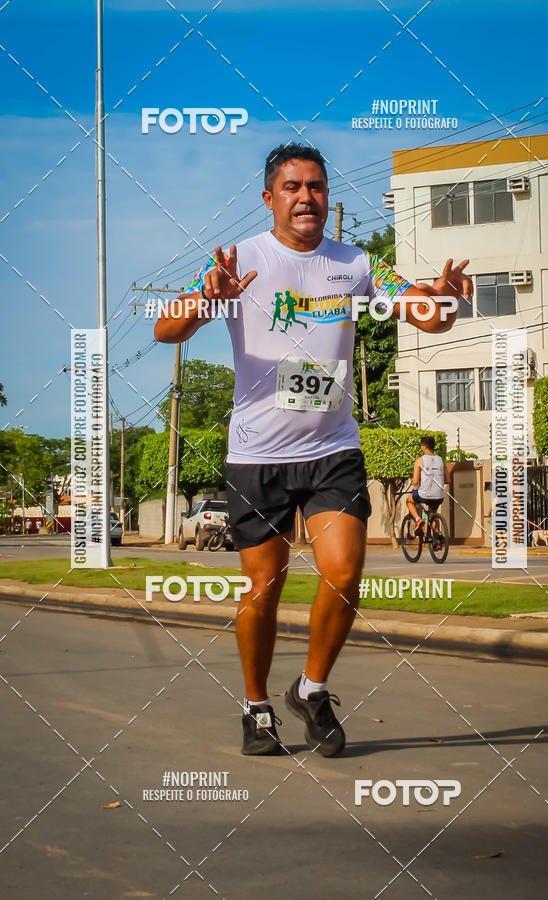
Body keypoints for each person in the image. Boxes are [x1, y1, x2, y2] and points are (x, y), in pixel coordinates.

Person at [154, 143, 472, 757]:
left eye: (317, 187)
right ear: (270, 196)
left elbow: (424, 314)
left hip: (332, 446)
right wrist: (204, 299)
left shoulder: (356, 263)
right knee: (263, 587)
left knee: (345, 569)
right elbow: (167, 326)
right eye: (293, 187)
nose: (306, 197)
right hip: (257, 454)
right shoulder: (238, 258)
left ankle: (311, 687)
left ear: (327, 196)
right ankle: (255, 705)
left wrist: (447, 299)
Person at [407, 435, 450, 531]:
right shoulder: (441, 460)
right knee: (433, 514)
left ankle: (418, 520)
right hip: (439, 497)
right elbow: (448, 480)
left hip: (424, 496)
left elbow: (416, 481)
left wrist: (413, 482)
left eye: (421, 445)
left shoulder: (419, 460)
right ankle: (436, 540)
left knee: (409, 501)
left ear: (424, 447)